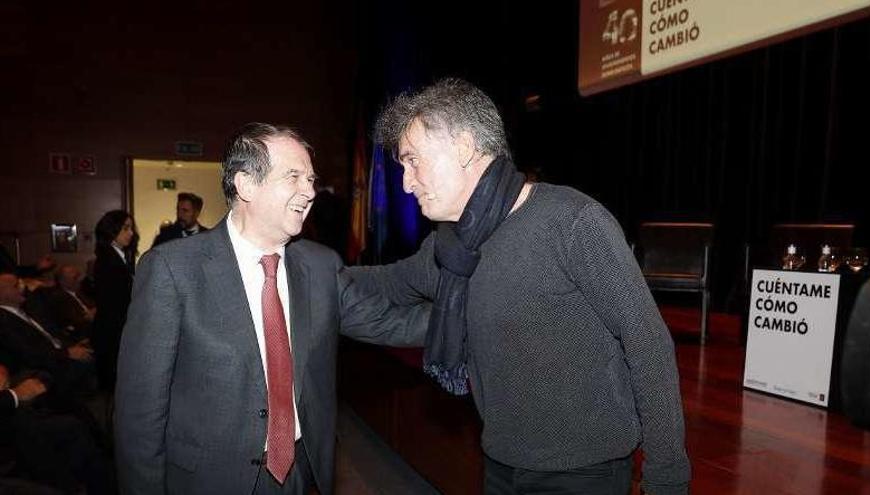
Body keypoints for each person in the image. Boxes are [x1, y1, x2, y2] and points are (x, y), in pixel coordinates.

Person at [353, 78, 691, 494]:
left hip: (583, 473)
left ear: (462, 147)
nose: (406, 183)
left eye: (412, 160)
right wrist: (294, 271)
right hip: (500, 462)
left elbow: (648, 344)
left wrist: (666, 480)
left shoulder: (571, 222)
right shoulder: (452, 245)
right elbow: (389, 284)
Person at [114, 122, 428, 495]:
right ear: (246, 184)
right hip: (209, 480)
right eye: (293, 176)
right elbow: (139, 415)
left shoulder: (320, 265)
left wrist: (486, 310)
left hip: (301, 473)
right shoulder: (171, 269)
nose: (309, 191)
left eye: (311, 179)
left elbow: (391, 323)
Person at [92, 210, 136, 392]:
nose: (131, 233)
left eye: (131, 228)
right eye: (126, 228)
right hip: (113, 332)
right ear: (112, 230)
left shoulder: (118, 256)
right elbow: (116, 303)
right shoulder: (109, 260)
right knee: (115, 388)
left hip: (116, 328)